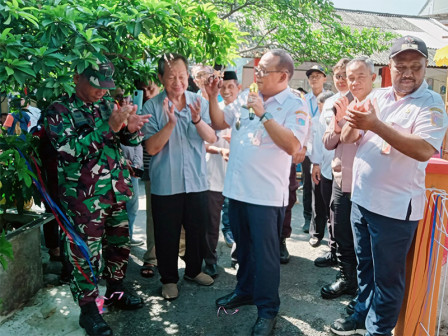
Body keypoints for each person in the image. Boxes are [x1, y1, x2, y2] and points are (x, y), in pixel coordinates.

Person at [330, 36, 448, 336]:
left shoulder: (431, 103)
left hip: (395, 209)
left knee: (388, 279)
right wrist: (353, 122)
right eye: (401, 66)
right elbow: (347, 138)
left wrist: (375, 125)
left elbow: (424, 149)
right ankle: (361, 312)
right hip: (362, 200)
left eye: (416, 67)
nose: (408, 73)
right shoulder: (378, 97)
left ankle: (378, 331)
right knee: (365, 268)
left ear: (425, 67)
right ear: (390, 68)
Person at [206, 49, 309, 336]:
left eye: (264, 70)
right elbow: (219, 122)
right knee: (244, 249)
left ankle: (267, 310)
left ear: (283, 76)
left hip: (265, 196)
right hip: (237, 190)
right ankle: (245, 290)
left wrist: (264, 115)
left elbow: (292, 146)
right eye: (257, 69)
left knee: (265, 257)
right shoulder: (246, 96)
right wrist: (211, 96)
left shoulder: (294, 104)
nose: (257, 75)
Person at [45, 59, 150, 336]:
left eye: (106, 87)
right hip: (83, 198)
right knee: (84, 254)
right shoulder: (59, 111)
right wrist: (110, 127)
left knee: (119, 245)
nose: (102, 92)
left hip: (114, 191)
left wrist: (130, 130)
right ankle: (89, 310)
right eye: (96, 86)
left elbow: (122, 143)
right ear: (78, 76)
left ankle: (115, 292)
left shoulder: (105, 106)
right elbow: (69, 151)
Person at [141, 53, 217, 301]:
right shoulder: (152, 106)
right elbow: (151, 148)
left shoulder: (199, 102)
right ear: (161, 77)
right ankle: (169, 279)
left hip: (196, 181)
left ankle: (194, 271)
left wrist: (196, 120)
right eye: (171, 76)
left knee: (197, 230)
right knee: (166, 234)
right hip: (166, 183)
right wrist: (170, 124)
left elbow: (211, 137)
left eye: (182, 76)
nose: (178, 82)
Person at [321, 57, 377, 304]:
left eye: (359, 77)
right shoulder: (342, 105)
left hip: (368, 184)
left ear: (373, 78)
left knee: (364, 242)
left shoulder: (381, 105)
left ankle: (365, 291)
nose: (353, 83)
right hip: (341, 179)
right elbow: (328, 142)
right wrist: (338, 121)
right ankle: (347, 279)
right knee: (342, 231)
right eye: (349, 78)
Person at [312, 58, 350, 269]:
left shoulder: (359, 101)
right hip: (326, 167)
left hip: (346, 171)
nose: (342, 80)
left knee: (342, 215)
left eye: (346, 75)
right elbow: (319, 134)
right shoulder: (328, 102)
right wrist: (315, 163)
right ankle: (333, 249)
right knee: (329, 210)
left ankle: (344, 256)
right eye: (338, 76)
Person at [203, 70, 240, 278]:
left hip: (237, 177)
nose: (226, 91)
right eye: (222, 87)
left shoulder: (247, 111)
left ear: (238, 88)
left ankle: (238, 258)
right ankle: (210, 260)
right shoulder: (211, 110)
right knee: (211, 223)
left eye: (230, 87)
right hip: (214, 175)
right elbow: (202, 143)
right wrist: (221, 149)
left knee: (238, 221)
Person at [136, 80, 160, 278]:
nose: (146, 92)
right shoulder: (139, 107)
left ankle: (185, 256)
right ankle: (151, 258)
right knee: (153, 215)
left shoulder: (165, 104)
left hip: (174, 170)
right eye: (142, 89)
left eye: (150, 87)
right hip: (150, 169)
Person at [303, 65, 328, 246]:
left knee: (325, 189)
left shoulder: (331, 99)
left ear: (324, 79)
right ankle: (308, 219)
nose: (314, 79)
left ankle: (328, 226)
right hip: (307, 148)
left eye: (318, 76)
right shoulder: (304, 100)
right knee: (308, 185)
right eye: (311, 76)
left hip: (325, 150)